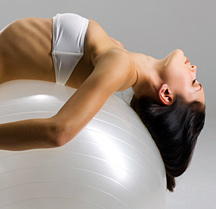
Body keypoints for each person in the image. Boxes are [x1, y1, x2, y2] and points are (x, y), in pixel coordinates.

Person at [0, 13, 205, 191]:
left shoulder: (120, 65)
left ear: (167, 94)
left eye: (194, 83)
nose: (194, 68)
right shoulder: (121, 57)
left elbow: (59, 131)